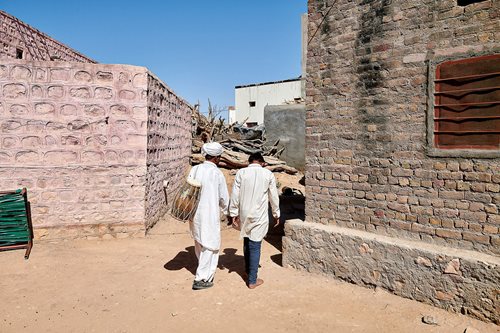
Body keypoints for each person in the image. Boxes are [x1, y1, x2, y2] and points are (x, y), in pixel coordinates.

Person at [229, 152, 280, 289]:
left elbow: (235, 194)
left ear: (249, 162)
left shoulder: (241, 173)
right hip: (259, 215)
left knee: (247, 240)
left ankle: (247, 271)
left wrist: (233, 212)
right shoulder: (268, 174)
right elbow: (273, 197)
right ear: (262, 162)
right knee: (255, 244)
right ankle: (252, 280)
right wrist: (276, 213)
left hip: (244, 213)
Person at [187, 142, 229, 290]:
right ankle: (202, 278)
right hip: (209, 214)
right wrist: (227, 210)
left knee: (199, 241)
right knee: (211, 245)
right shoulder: (217, 173)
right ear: (217, 158)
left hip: (194, 212)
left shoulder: (195, 169)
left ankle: (202, 270)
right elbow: (223, 197)